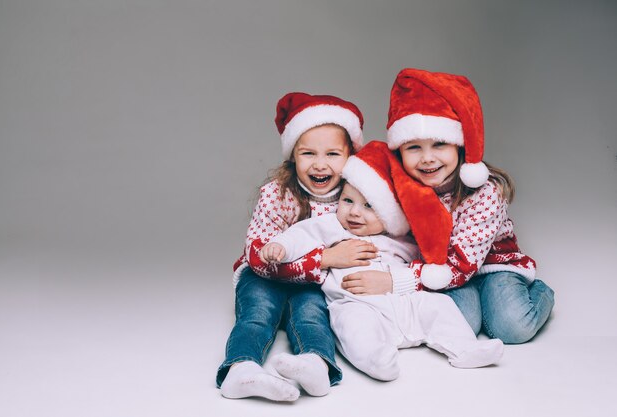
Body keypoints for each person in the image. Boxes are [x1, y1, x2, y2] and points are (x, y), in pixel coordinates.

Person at [261, 141, 504, 381]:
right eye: (347, 201)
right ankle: (376, 359)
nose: (355, 212)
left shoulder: (400, 237)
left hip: (405, 303)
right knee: (352, 326)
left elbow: (428, 263)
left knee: (440, 306)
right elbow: (302, 235)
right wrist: (280, 246)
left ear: (391, 213)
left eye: (369, 206)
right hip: (357, 304)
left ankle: (466, 348)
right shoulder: (334, 226)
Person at [363, 67, 554, 344]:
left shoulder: (485, 193)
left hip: (490, 265)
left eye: (439, 144)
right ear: (399, 151)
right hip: (437, 268)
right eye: (414, 147)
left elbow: (464, 264)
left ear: (460, 146)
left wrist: (395, 281)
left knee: (512, 327)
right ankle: (474, 300)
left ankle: (541, 292)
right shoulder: (403, 187)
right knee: (458, 326)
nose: (427, 159)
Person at [217, 92, 374, 401]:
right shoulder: (277, 193)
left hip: (314, 285)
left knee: (311, 315)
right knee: (257, 314)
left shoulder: (356, 197)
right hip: (262, 277)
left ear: (351, 156)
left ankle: (315, 364)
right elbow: (256, 255)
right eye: (308, 154)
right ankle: (241, 370)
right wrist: (325, 258)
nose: (319, 164)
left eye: (332, 154)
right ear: (292, 156)